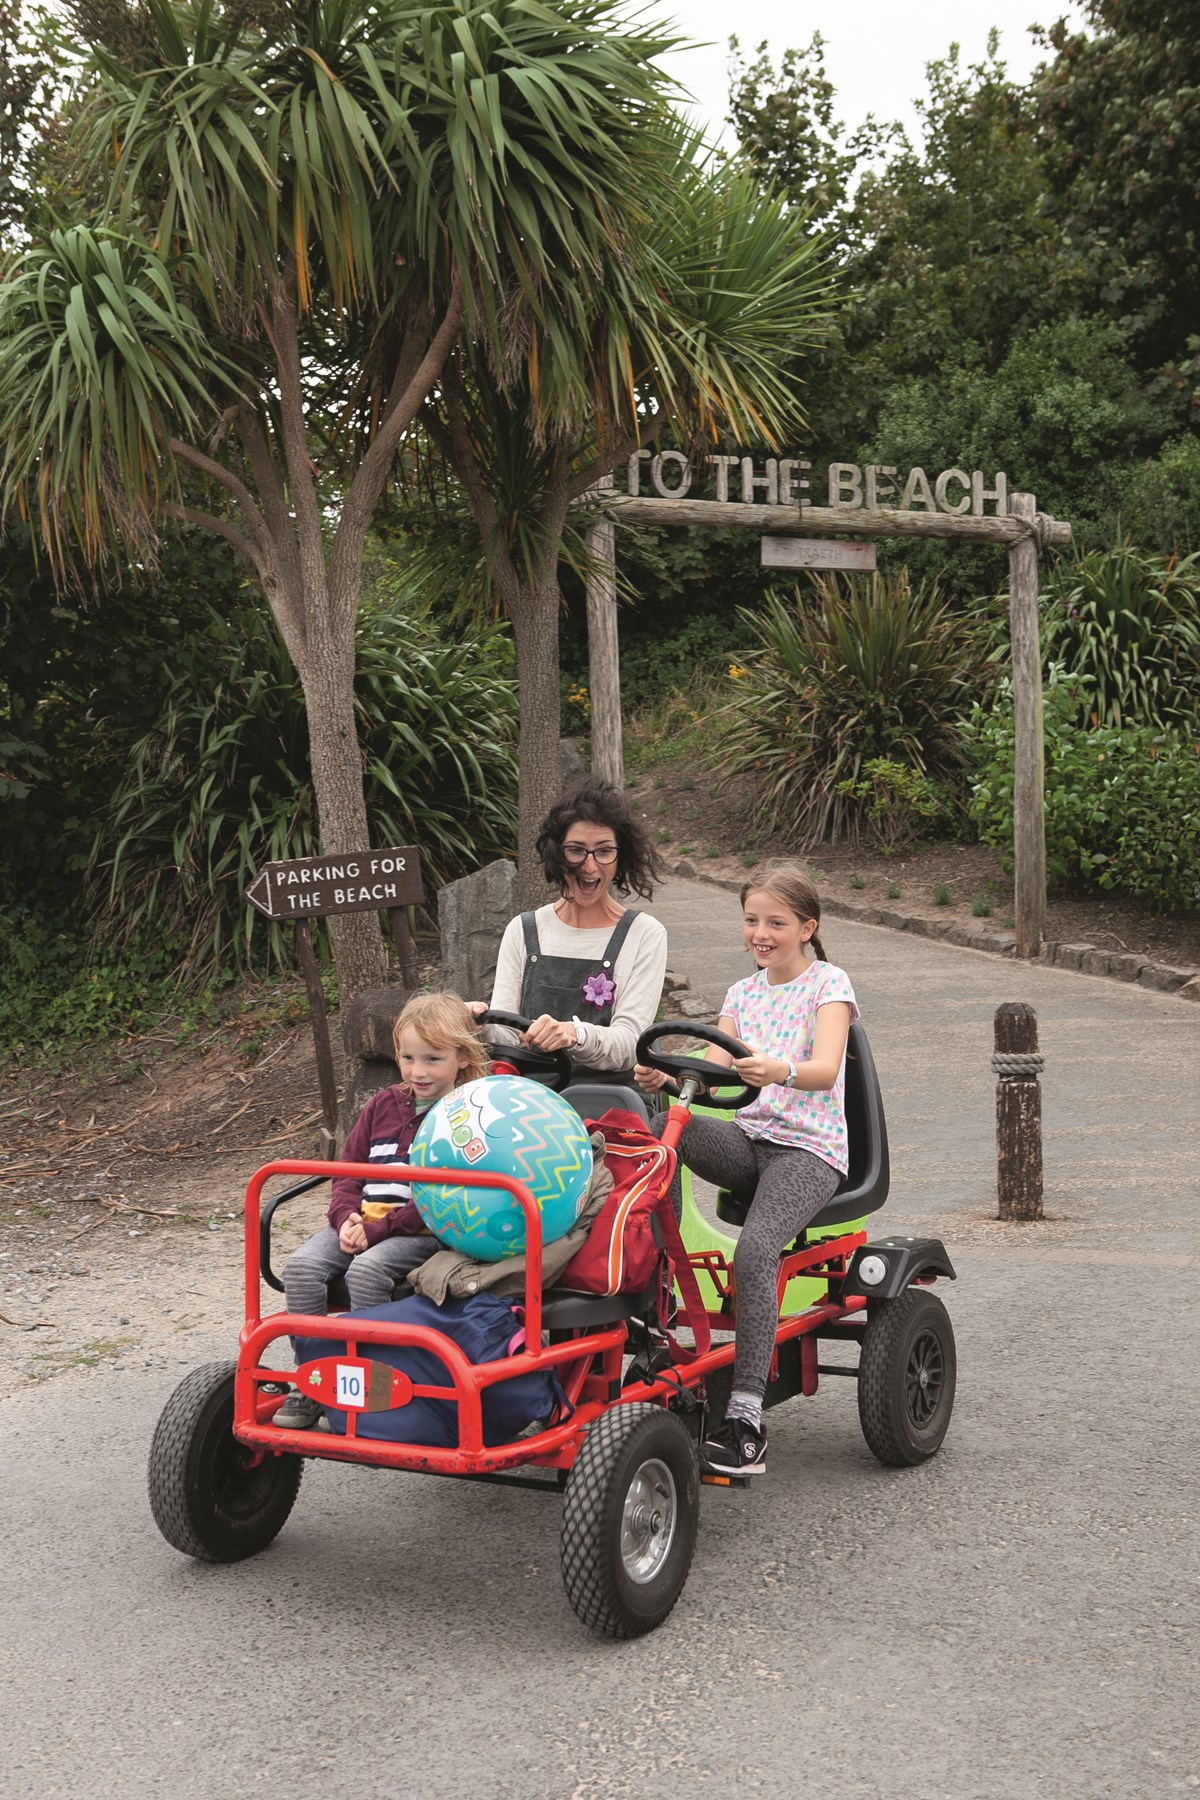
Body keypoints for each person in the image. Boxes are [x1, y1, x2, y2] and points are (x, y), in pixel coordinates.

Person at [634, 866, 857, 1478]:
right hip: (749, 1140)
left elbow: (826, 1068)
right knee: (658, 1136)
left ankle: (746, 1416)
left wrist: (778, 1070)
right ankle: (659, 1299)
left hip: (807, 1152)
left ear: (806, 928)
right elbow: (708, 1065)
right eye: (753, 920)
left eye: (776, 923)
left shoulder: (828, 985)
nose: (761, 933)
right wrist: (666, 1073)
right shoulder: (741, 992)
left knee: (755, 1252)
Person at [274, 992, 489, 1429]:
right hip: (364, 1220)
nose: (418, 1071)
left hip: (420, 1231)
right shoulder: (383, 1104)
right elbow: (348, 1172)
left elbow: (443, 1198)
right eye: (408, 1058)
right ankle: (314, 1380)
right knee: (300, 1268)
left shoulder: (464, 1117)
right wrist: (346, 1218)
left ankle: (376, 1385)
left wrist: (377, 1232)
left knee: (365, 1272)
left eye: (433, 1059)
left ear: (462, 1058)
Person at [478, 781, 668, 1080]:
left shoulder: (644, 934)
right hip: (529, 1096)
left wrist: (573, 1034)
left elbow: (631, 1043)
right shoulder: (523, 929)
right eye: (576, 851)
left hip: (609, 1099)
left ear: (621, 856)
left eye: (604, 851)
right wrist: (477, 1024)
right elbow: (505, 1037)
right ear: (557, 852)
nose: (590, 867)